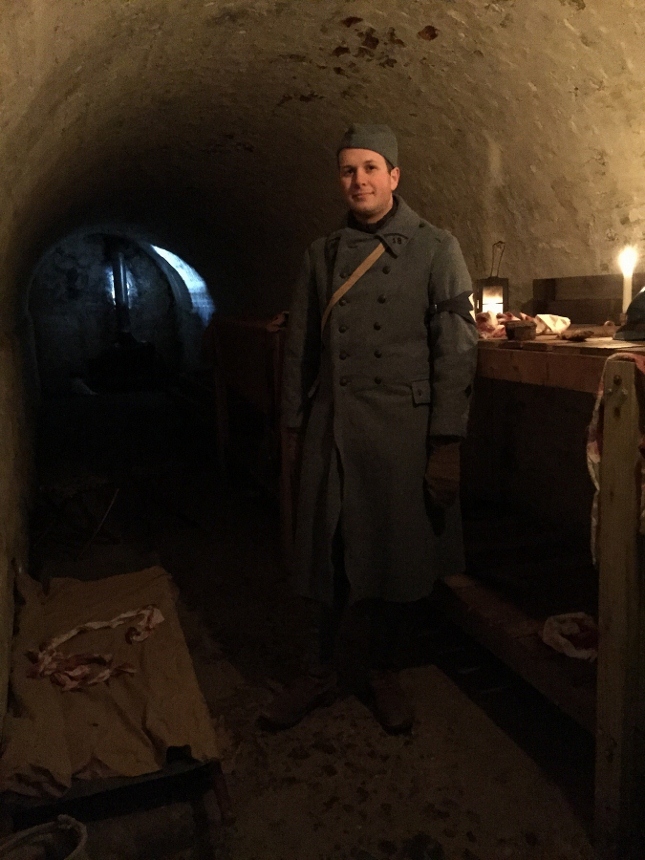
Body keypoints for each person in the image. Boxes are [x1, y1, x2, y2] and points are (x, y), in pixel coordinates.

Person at [263, 123, 478, 733]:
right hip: (334, 427)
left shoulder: (437, 247)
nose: (357, 180)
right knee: (328, 551)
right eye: (347, 170)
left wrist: (446, 441)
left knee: (391, 553)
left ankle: (383, 670)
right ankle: (321, 669)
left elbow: (457, 349)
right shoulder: (321, 255)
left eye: (369, 168)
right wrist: (292, 428)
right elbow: (300, 348)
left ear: (394, 176)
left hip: (401, 431)